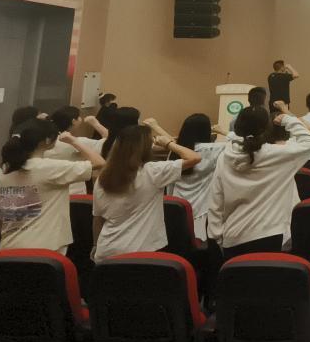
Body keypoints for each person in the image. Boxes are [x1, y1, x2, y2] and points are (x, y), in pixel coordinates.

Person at [208, 104, 310, 260]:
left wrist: (217, 236)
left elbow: (216, 198)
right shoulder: (278, 155)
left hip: (232, 236)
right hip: (269, 234)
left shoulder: (225, 156)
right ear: (266, 128)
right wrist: (288, 119)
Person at [0, 118, 105, 254]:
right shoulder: (50, 167)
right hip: (45, 249)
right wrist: (73, 141)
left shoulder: (4, 170)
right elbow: (99, 162)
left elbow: (0, 216)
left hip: (8, 246)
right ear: (47, 140)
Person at [92, 124, 201, 261]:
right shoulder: (153, 171)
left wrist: (95, 245)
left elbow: (98, 218)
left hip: (106, 251)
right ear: (146, 148)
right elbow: (194, 158)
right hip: (141, 254)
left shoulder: (103, 177)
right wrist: (168, 143)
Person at [167, 113, 227, 241]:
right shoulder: (215, 149)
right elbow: (242, 143)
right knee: (201, 243)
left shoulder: (176, 151)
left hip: (177, 205)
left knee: (180, 244)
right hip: (203, 208)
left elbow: (170, 182)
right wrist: (222, 131)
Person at [43, 106, 107, 194]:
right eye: (79, 116)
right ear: (73, 121)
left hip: (48, 191)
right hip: (75, 194)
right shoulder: (78, 142)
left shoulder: (43, 142)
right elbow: (109, 143)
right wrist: (95, 123)